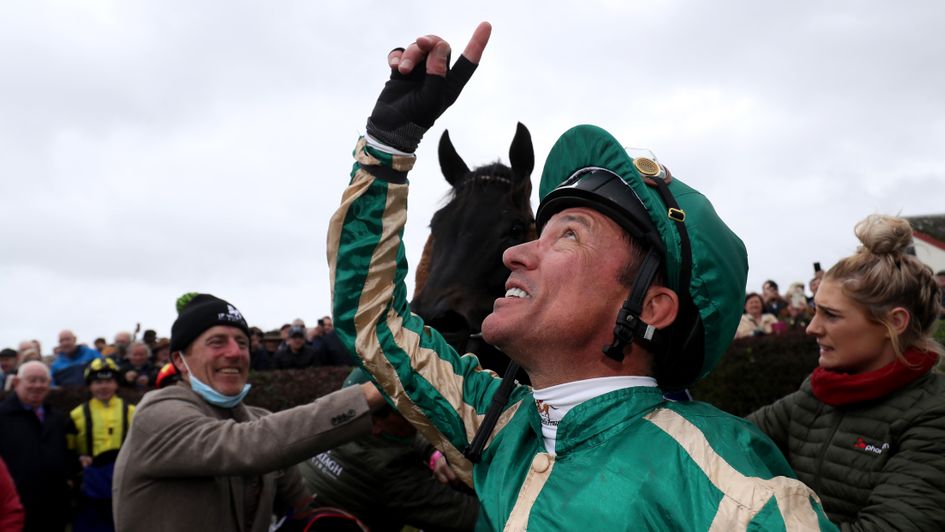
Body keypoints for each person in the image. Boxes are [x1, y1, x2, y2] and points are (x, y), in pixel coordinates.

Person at [327, 23, 833, 529]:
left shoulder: (738, 494)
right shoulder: (496, 424)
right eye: (539, 233)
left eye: (568, 235)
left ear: (650, 308)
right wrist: (387, 147)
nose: (515, 254)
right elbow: (374, 323)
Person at [112, 293, 385, 532]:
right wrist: (371, 393)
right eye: (217, 342)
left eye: (242, 343)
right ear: (179, 361)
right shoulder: (156, 413)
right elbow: (250, 445)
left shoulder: (258, 418)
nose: (235, 353)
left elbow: (303, 506)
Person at [748, 215, 945, 529]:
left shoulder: (934, 414)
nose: (812, 328)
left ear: (894, 323)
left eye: (831, 315)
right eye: (815, 311)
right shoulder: (818, 391)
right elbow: (736, 438)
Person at [298, 368, 479, 531]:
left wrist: (433, 451)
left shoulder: (333, 420)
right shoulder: (389, 471)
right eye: (408, 412)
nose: (420, 416)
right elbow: (471, 516)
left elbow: (406, 432)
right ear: (374, 423)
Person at [0, 361, 76, 532]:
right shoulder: (2, 417)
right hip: (17, 508)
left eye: (43, 381)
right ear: (17, 383)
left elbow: (66, 454)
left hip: (53, 508)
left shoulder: (57, 418)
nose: (38, 385)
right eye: (32, 380)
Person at [68, 358, 135, 532]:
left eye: (108, 381)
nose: (103, 387)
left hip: (125, 483)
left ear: (116, 384)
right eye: (98, 382)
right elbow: (69, 450)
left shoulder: (133, 412)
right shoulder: (76, 415)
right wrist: (78, 459)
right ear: (90, 386)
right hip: (91, 487)